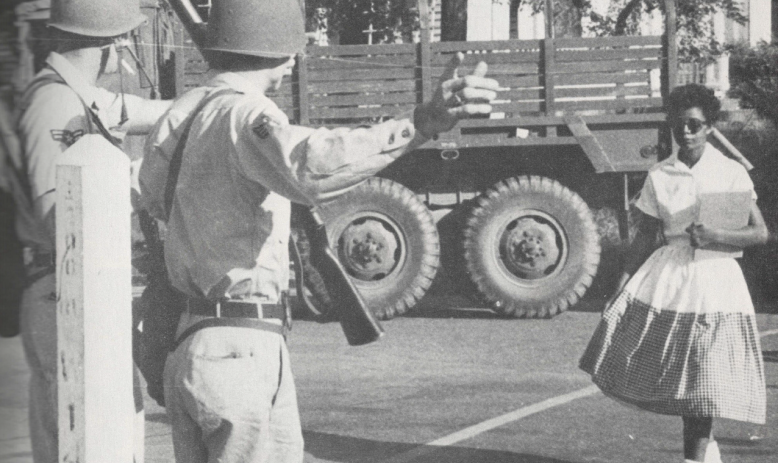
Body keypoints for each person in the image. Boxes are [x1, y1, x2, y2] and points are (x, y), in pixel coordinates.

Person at [138, 0, 499, 461]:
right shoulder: (245, 115)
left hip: (189, 342)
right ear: (280, 51)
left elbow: (151, 199)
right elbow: (312, 165)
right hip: (242, 348)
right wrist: (419, 125)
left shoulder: (180, 113)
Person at [14, 0, 171, 461]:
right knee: (85, 441)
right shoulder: (55, 103)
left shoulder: (73, 93)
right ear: (115, 46)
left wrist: (204, 105)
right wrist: (146, 178)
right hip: (64, 293)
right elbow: (59, 217)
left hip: (73, 293)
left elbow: (136, 109)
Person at [579, 83, 768, 463]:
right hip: (671, 283)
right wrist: (620, 283)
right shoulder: (660, 174)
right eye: (679, 125)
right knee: (682, 380)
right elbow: (644, 236)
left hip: (717, 284)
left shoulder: (730, 172)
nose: (686, 132)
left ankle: (696, 455)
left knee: (704, 379)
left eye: (695, 124)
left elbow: (760, 233)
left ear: (710, 127)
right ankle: (702, 447)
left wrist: (716, 235)